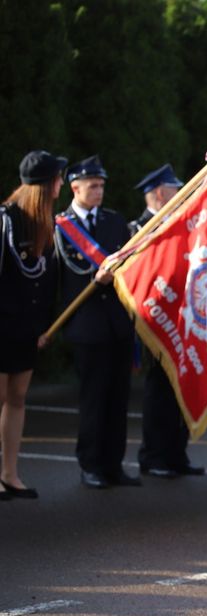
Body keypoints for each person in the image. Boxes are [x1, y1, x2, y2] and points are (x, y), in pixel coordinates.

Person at [54, 155, 138, 489]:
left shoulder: (115, 223)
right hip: (87, 326)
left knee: (118, 399)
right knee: (93, 398)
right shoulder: (61, 225)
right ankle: (90, 464)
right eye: (93, 186)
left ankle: (114, 464)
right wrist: (95, 276)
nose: (99, 191)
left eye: (102, 185)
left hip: (117, 324)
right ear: (75, 188)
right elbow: (62, 275)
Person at [0, 151, 67, 500]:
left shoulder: (46, 222)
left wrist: (44, 326)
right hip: (2, 328)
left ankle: (9, 474)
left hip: (26, 329)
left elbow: (46, 281)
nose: (61, 184)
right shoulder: (6, 220)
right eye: (57, 178)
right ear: (43, 184)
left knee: (18, 398)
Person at [132, 164, 205, 479]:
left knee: (181, 389)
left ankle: (177, 454)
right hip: (154, 321)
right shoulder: (137, 228)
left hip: (182, 320)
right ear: (160, 193)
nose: (179, 195)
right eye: (174, 189)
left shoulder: (180, 225)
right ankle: (154, 455)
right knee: (159, 392)